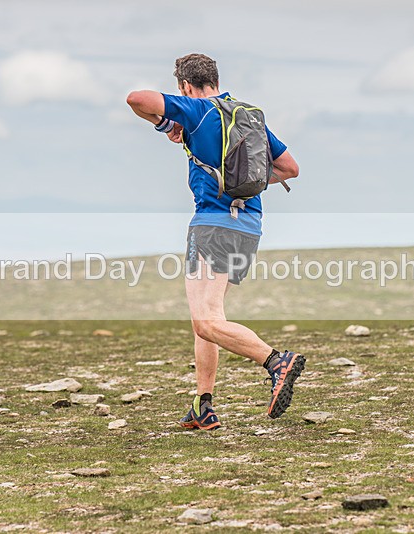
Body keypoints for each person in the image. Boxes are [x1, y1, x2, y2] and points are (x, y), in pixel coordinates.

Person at [126, 53, 305, 430]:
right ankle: (202, 405)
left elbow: (136, 99)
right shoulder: (248, 115)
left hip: (212, 224)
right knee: (208, 317)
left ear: (185, 86)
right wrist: (244, 180)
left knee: (205, 321)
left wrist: (170, 121)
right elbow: (290, 168)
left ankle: (275, 360)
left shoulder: (196, 111)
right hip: (249, 226)